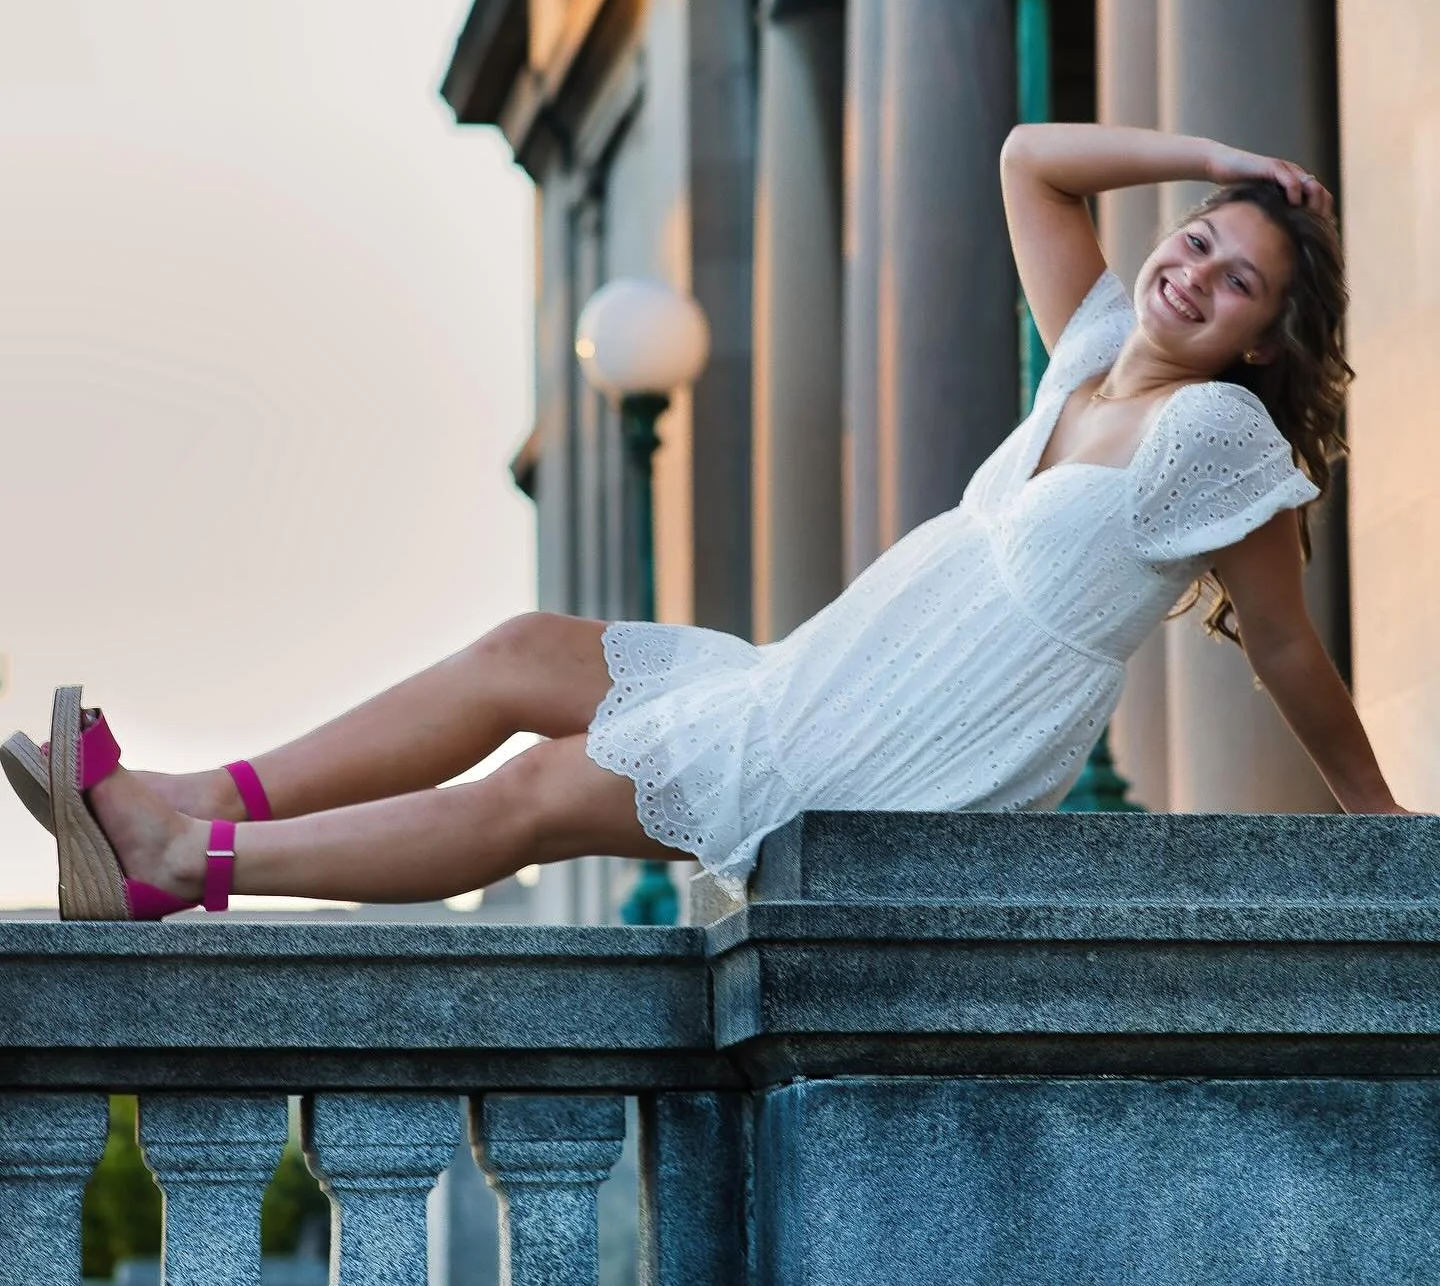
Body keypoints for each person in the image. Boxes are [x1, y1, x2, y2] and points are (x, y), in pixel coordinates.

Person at [1, 123, 1412, 921]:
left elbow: (1285, 647)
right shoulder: (1093, 352)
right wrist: (1221, 152)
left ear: (1258, 348)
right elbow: (1028, 159)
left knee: (535, 794)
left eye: (1234, 283)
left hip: (901, 744)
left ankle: (181, 866)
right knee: (521, 651)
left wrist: (1384, 828)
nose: (1193, 269)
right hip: (842, 672)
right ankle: (187, 803)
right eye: (1197, 235)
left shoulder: (1213, 439)